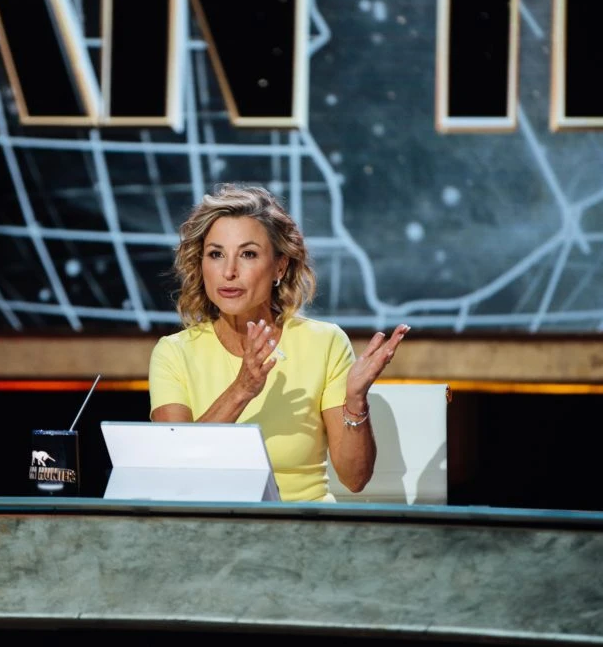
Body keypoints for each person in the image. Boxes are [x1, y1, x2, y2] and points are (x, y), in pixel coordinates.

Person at [148, 183, 409, 502]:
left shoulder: (324, 343)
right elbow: (173, 467)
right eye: (216, 254)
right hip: (210, 523)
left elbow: (355, 479)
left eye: (248, 254)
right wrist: (242, 389)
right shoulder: (173, 352)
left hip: (304, 522)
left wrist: (355, 402)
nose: (229, 272)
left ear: (279, 267)